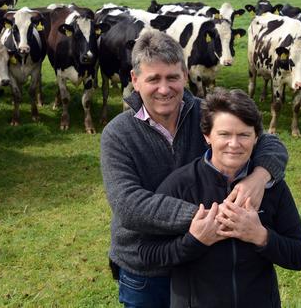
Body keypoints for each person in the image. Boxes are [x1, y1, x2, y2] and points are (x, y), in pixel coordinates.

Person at [100, 30, 289, 307]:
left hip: (203, 263)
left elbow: (271, 143)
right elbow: (128, 205)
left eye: (172, 77)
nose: (164, 89)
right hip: (147, 269)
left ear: (185, 76)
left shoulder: (206, 114)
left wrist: (260, 176)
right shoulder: (118, 134)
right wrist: (215, 218)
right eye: (154, 79)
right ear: (135, 81)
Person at [138, 88, 301, 307]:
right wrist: (194, 241)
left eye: (244, 135)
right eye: (224, 134)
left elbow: (300, 255)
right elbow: (147, 253)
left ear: (257, 137)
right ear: (207, 136)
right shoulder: (179, 185)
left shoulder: (271, 187)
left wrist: (260, 236)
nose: (234, 144)